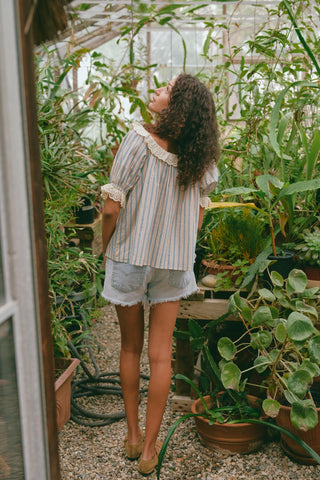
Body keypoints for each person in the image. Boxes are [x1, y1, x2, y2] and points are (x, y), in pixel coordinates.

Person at [100, 73, 219, 476]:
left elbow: (113, 206)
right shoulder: (200, 156)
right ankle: (151, 450)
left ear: (177, 105)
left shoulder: (138, 140)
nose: (157, 91)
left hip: (130, 257)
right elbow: (200, 210)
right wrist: (179, 244)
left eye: (165, 89)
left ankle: (132, 437)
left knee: (130, 348)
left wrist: (106, 245)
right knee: (161, 355)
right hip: (172, 263)